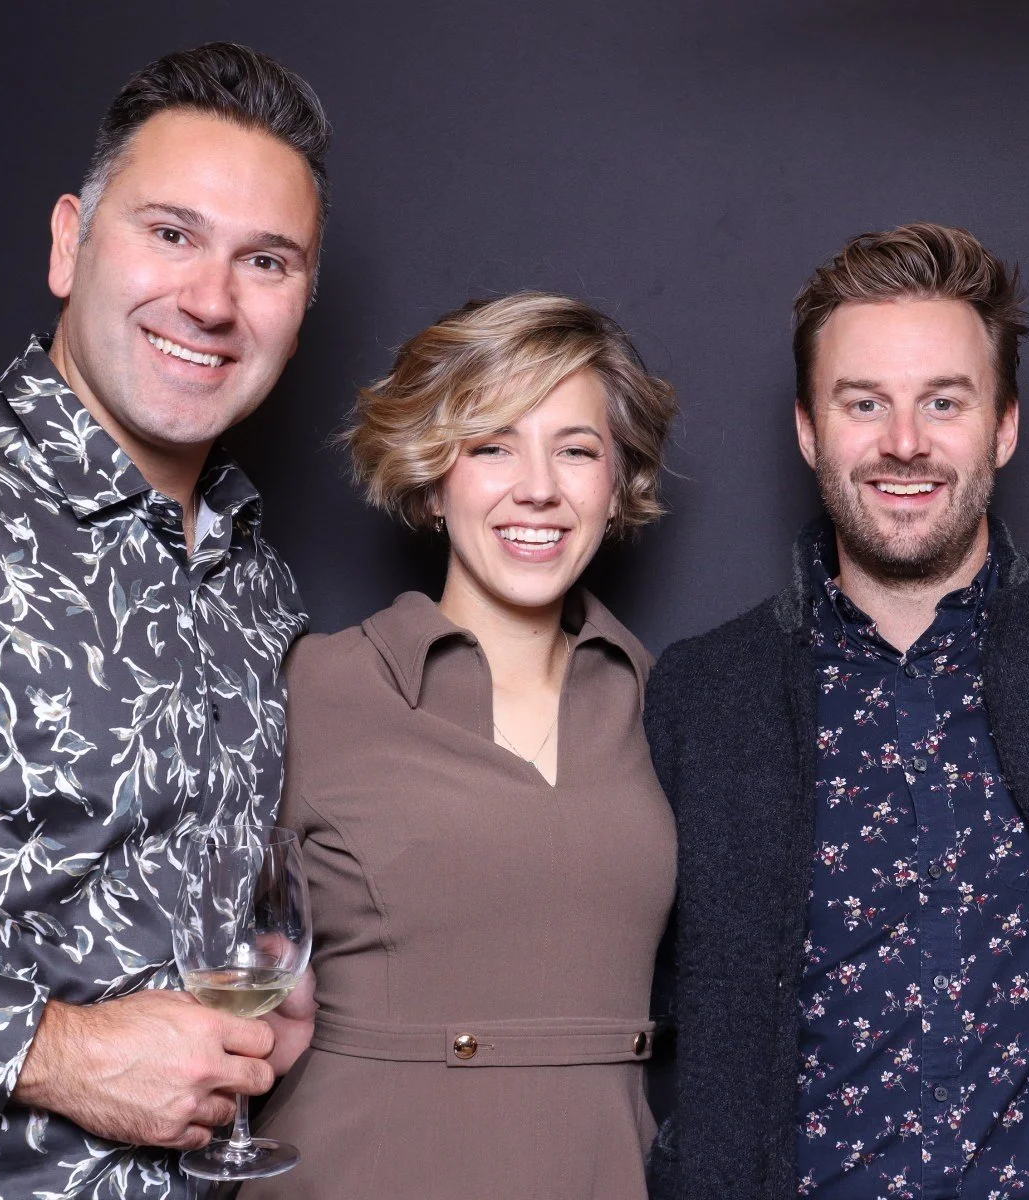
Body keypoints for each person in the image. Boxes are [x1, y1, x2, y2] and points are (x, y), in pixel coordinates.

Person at [644, 223, 1029, 1199]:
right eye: (866, 404)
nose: (905, 442)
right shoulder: (699, 700)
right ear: (810, 429)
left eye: (945, 402)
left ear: (1005, 425)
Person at [0, 43, 327, 1197]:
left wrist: (274, 996)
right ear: (69, 243)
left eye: (265, 260)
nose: (210, 299)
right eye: (170, 233)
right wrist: (60, 1054)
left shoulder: (263, 586)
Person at [247, 292, 679, 1197]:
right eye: (492, 446)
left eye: (576, 448)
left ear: (616, 481)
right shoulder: (313, 688)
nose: (539, 487)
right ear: (432, 476)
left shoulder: (673, 704)